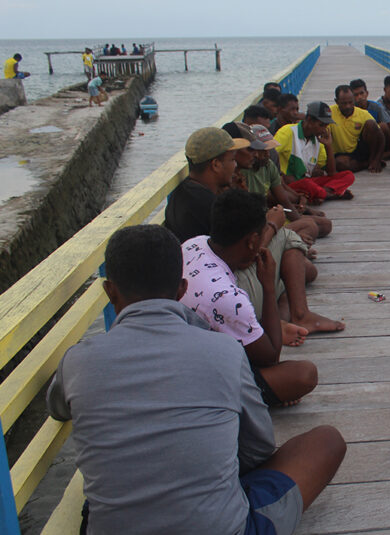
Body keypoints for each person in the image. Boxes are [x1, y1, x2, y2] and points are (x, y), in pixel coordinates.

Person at [47, 224, 345, 533]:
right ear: (181, 290)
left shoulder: (77, 360)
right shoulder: (225, 351)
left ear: (109, 291)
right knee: (326, 441)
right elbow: (258, 448)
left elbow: (57, 407)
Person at [179, 190, 334, 407]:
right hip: (203, 380)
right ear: (253, 241)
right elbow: (271, 357)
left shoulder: (193, 243)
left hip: (189, 349)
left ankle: (265, 329)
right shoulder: (229, 299)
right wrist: (268, 286)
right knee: (303, 375)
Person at [223, 121, 329, 243]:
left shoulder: (267, 165)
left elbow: (283, 197)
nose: (260, 154)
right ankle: (291, 242)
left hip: (262, 225)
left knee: (322, 225)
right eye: (252, 150)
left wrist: (300, 214)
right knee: (309, 227)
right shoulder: (237, 175)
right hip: (256, 231)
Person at [165, 127, 249, 242]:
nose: (235, 165)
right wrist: (273, 224)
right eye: (232, 159)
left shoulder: (182, 192)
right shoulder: (211, 206)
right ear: (215, 165)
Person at [275, 101, 356, 202]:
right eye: (321, 125)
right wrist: (280, 174)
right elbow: (270, 153)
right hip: (291, 185)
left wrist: (328, 146)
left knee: (348, 175)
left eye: (326, 126)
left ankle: (322, 193)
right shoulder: (288, 132)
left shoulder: (318, 140)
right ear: (309, 120)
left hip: (308, 182)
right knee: (307, 184)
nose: (324, 130)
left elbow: (331, 172)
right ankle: (328, 194)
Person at [329, 84, 385, 173]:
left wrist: (377, 159)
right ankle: (367, 164)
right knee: (340, 164)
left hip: (358, 149)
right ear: (336, 101)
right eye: (344, 103)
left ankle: (372, 160)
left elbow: (380, 136)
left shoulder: (363, 114)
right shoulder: (329, 113)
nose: (348, 106)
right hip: (340, 153)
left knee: (371, 124)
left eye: (350, 102)